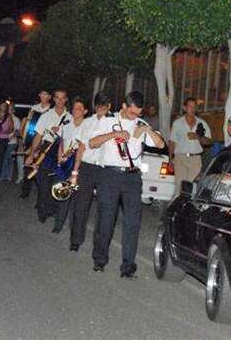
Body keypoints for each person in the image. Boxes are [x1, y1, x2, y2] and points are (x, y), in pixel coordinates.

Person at [89, 91, 165, 277]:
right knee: (106, 219)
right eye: (132, 113)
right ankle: (100, 259)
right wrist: (113, 135)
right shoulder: (107, 120)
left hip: (132, 178)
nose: (135, 116)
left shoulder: (141, 123)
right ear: (124, 106)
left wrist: (146, 131)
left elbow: (161, 145)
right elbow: (92, 143)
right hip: (110, 175)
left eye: (138, 113)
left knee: (133, 222)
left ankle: (128, 266)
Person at [68, 93, 111, 252]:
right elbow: (81, 148)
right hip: (86, 167)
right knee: (80, 205)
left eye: (104, 106)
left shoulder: (113, 124)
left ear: (109, 107)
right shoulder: (86, 123)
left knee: (104, 209)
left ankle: (98, 246)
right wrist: (75, 172)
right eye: (99, 106)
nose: (101, 110)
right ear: (95, 107)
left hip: (104, 169)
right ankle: (75, 240)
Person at [25, 89, 70, 223]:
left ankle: (52, 209)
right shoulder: (46, 115)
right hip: (46, 149)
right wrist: (32, 153)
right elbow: (38, 135)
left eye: (63, 98)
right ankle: (43, 211)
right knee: (43, 182)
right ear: (54, 99)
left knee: (57, 182)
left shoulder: (70, 117)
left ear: (66, 99)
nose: (60, 101)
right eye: (57, 98)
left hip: (62, 149)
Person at [51, 96, 88, 233]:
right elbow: (61, 142)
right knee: (61, 193)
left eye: (80, 108)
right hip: (65, 163)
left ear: (85, 111)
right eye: (74, 108)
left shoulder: (88, 126)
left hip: (80, 164)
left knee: (77, 199)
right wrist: (60, 157)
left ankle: (75, 229)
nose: (76, 111)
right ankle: (58, 225)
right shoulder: (66, 125)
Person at [169, 97, 212, 196]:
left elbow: (209, 142)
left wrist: (198, 137)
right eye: (190, 106)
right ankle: (175, 208)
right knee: (180, 186)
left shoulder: (202, 123)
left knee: (189, 188)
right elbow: (172, 142)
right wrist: (170, 159)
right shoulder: (177, 123)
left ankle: (184, 208)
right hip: (180, 158)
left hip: (195, 159)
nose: (192, 109)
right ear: (184, 108)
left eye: (194, 106)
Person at [19, 90, 52, 198]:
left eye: (45, 94)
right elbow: (28, 124)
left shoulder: (51, 110)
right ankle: (25, 191)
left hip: (44, 142)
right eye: (41, 94)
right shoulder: (34, 108)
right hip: (31, 139)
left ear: (50, 97)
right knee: (28, 165)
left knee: (40, 167)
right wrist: (24, 140)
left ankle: (41, 194)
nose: (43, 96)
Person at [2, 102, 22, 182]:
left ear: (13, 110)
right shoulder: (4, 117)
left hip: (12, 142)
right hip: (4, 141)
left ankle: (8, 176)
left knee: (9, 158)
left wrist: (12, 137)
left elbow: (18, 131)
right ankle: (3, 175)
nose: (9, 110)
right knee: (4, 158)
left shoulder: (16, 119)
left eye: (10, 109)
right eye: (8, 109)